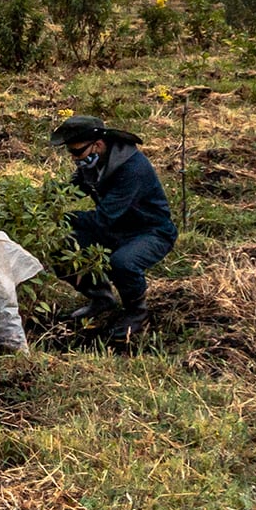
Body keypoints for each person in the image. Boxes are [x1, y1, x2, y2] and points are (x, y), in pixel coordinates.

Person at [51, 113, 175, 342]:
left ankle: (137, 312)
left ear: (97, 144)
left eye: (77, 152)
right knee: (59, 244)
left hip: (150, 232)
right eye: (71, 153)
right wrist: (45, 202)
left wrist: (63, 218)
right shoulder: (94, 161)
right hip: (116, 227)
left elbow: (103, 219)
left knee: (122, 263)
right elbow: (74, 188)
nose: (74, 158)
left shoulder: (132, 169)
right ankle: (101, 298)